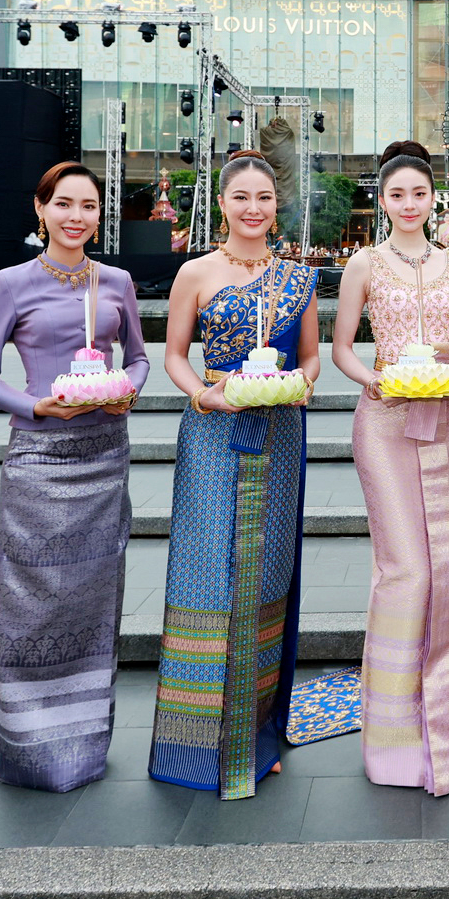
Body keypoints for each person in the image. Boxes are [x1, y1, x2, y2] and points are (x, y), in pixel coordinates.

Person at [0, 162, 148, 792]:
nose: (77, 217)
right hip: (39, 459)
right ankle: (28, 749)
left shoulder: (117, 280)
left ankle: (84, 746)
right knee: (33, 603)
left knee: (96, 601)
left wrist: (127, 391)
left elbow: (142, 359)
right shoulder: (11, 284)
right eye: (64, 204)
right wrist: (34, 406)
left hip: (104, 454)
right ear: (39, 209)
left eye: (89, 206)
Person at [151, 149, 319, 798]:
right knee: (206, 574)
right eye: (242, 197)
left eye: (265, 198)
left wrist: (297, 385)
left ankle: (255, 735)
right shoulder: (195, 272)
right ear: (221, 204)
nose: (254, 209)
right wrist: (205, 394)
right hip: (213, 431)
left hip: (278, 431)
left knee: (264, 574)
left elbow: (309, 359)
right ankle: (194, 743)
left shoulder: (297, 278)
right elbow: (173, 355)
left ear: (277, 206)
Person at [331, 140, 449, 796]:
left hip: (445, 419)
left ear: (431, 198)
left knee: (448, 564)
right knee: (406, 569)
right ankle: (392, 736)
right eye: (398, 194)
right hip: (385, 420)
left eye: (420, 193)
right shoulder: (364, 263)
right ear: (382, 200)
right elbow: (341, 350)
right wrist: (377, 381)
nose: (409, 204)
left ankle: (444, 716)